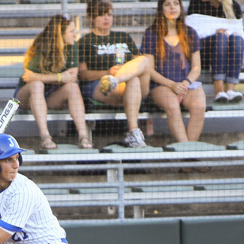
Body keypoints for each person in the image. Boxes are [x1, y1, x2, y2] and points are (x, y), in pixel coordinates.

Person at [78, 0, 151, 148]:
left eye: (109, 14)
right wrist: (107, 72)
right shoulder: (85, 41)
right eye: (101, 15)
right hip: (100, 87)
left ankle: (115, 79)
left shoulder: (123, 37)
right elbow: (83, 74)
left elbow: (142, 66)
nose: (106, 18)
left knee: (143, 61)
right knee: (134, 81)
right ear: (92, 18)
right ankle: (134, 133)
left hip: (126, 85)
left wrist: (121, 73)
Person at [16, 13, 93, 150]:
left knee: (73, 87)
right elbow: (28, 77)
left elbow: (72, 76)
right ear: (60, 34)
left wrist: (53, 77)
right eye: (71, 31)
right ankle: (45, 137)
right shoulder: (41, 44)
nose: (75, 35)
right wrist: (59, 78)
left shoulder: (72, 45)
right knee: (37, 85)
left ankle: (83, 136)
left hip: (50, 95)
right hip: (26, 96)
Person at [141, 0, 206, 146]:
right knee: (172, 106)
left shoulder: (190, 33)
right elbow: (149, 69)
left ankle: (188, 155)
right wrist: (172, 85)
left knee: (200, 106)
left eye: (176, 3)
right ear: (161, 8)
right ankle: (189, 156)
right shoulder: (151, 33)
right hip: (161, 85)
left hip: (186, 84)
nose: (172, 7)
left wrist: (185, 83)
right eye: (167, 4)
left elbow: (197, 67)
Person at [187, 0, 244, 103]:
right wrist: (216, 32)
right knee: (221, 37)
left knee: (237, 39)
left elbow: (239, 32)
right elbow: (192, 33)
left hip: (226, 53)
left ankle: (230, 90)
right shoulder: (197, 3)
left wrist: (229, 33)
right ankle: (219, 90)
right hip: (203, 53)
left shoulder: (234, 6)